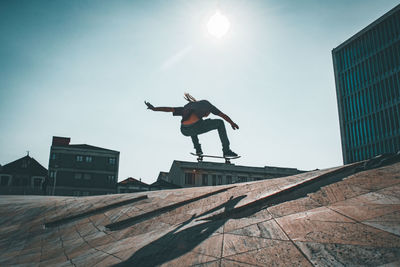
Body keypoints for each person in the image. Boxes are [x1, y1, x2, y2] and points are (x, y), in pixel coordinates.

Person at [145, 93, 239, 157]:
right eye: (207, 114)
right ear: (207, 110)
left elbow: (169, 109)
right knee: (219, 123)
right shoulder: (208, 106)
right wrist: (232, 123)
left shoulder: (186, 107)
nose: (206, 116)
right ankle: (226, 151)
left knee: (195, 126)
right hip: (195, 127)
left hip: (184, 130)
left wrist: (154, 109)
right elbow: (223, 116)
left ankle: (198, 149)